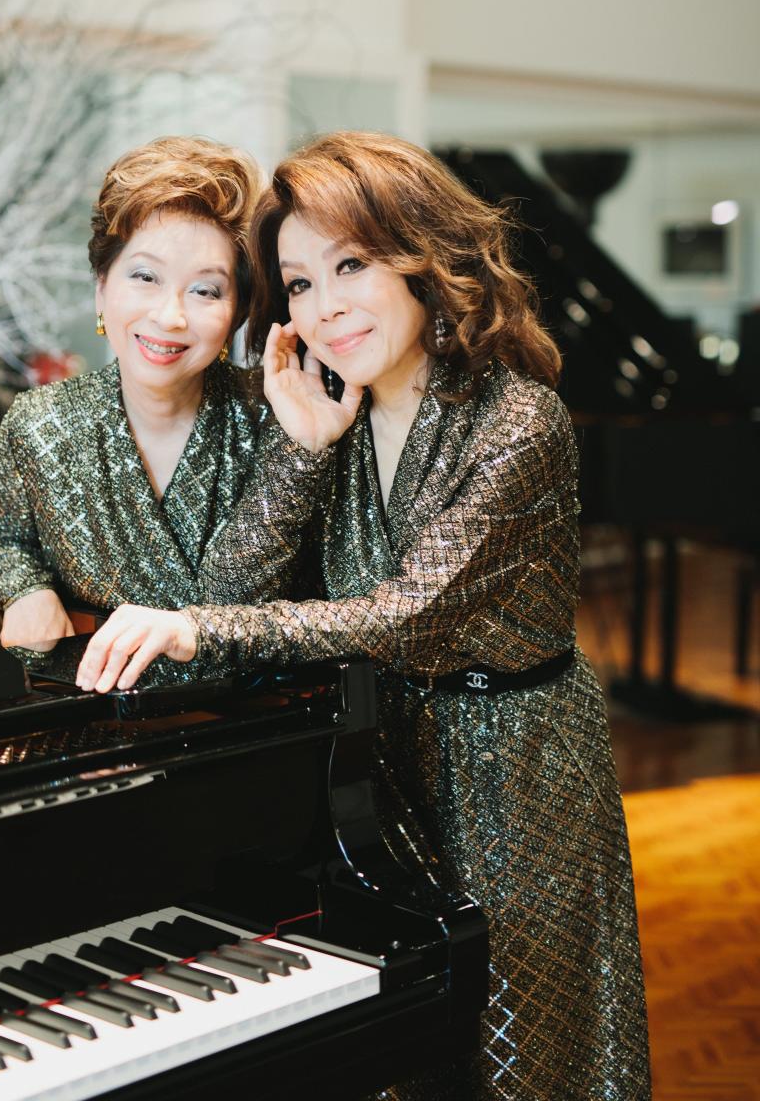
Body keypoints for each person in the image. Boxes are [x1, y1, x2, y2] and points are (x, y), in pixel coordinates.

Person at [71, 132, 652, 1101]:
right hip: (376, 775)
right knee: (400, 1059)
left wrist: (196, 631)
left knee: (520, 1061)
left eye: (351, 265)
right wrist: (300, 452)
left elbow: (404, 617)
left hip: (518, 776)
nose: (325, 306)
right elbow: (231, 583)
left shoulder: (517, 422)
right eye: (297, 284)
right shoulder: (324, 407)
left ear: (423, 254)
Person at [0, 135, 331, 660]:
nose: (170, 316)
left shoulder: (282, 413)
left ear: (237, 311)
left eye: (205, 290)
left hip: (261, 722)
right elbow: (3, 535)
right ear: (101, 287)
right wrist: (24, 587)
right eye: (144, 277)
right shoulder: (41, 423)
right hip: (96, 722)